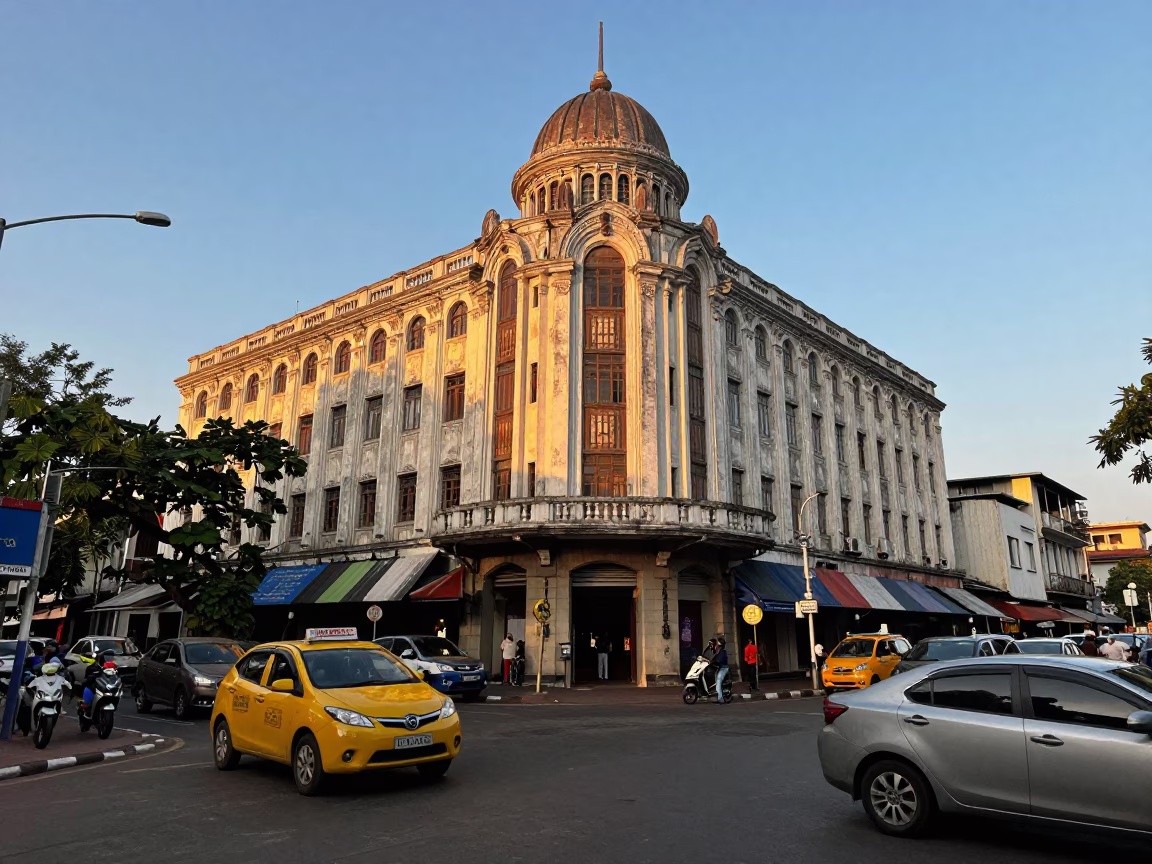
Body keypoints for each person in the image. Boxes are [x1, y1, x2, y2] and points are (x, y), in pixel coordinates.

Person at [711, 637, 729, 703]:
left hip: (724, 668)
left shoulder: (722, 651)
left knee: (718, 681)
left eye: (717, 643)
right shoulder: (718, 651)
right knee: (717, 681)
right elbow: (714, 658)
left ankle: (720, 699)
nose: (716, 645)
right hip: (719, 668)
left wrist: (716, 661)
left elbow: (720, 660)